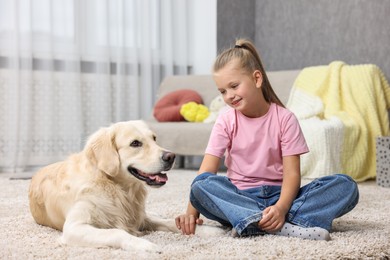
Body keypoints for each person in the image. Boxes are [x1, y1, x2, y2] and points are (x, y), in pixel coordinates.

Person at [174, 38, 359, 240]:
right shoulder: (225, 119)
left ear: (257, 79)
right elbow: (206, 171)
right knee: (201, 184)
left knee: (346, 185)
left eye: (234, 86)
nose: (229, 96)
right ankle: (281, 223)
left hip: (282, 198)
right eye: (223, 91)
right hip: (239, 197)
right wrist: (191, 213)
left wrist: (280, 208)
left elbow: (292, 175)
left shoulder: (285, 119)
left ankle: (256, 222)